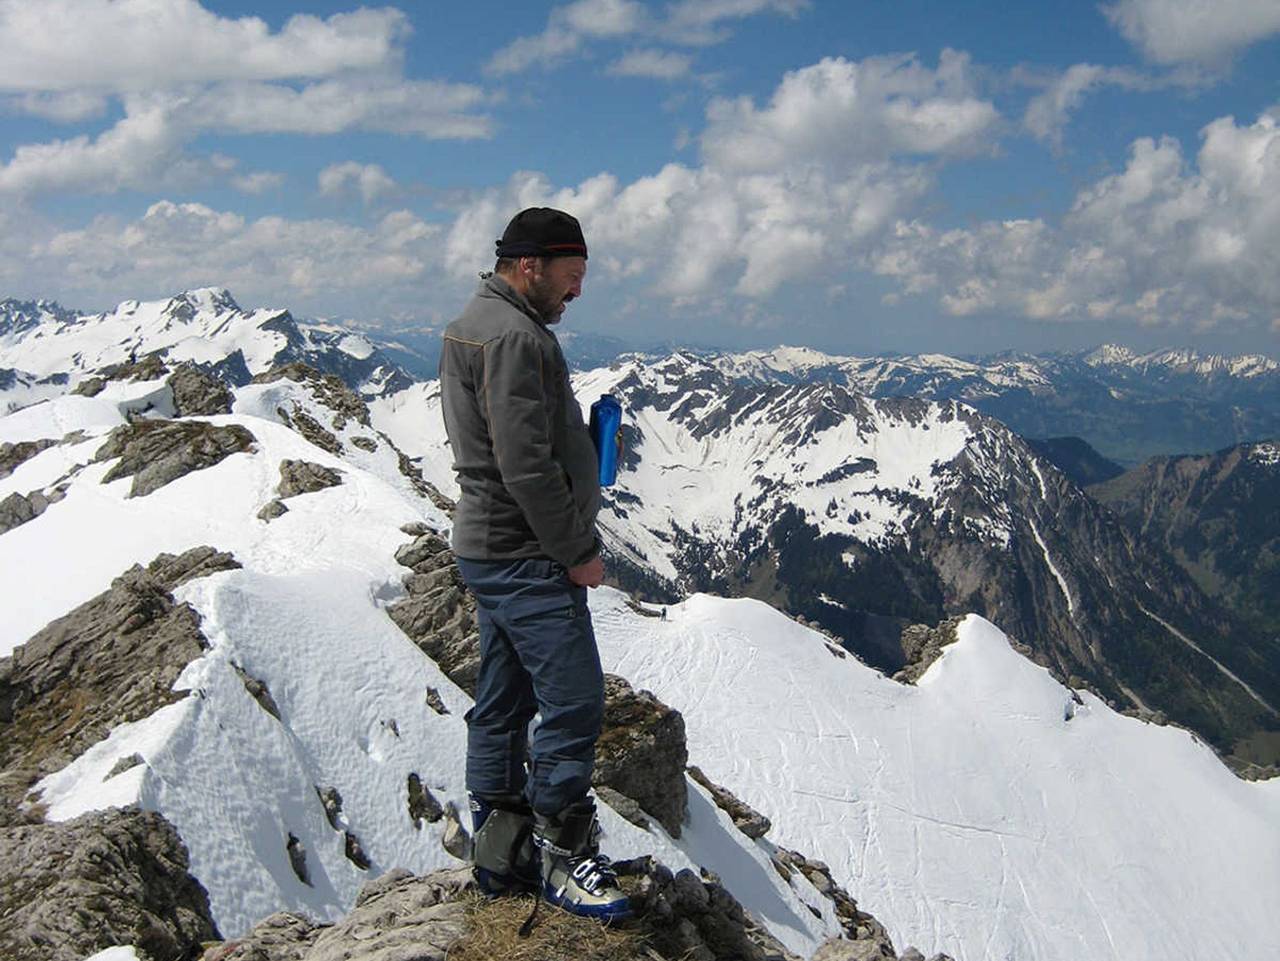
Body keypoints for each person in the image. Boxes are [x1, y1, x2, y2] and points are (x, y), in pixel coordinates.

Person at [438, 207, 629, 922]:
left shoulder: (483, 323)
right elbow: (522, 464)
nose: (576, 291)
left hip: (494, 545)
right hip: (524, 552)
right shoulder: (516, 336)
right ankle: (559, 850)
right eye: (571, 276)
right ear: (530, 266)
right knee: (575, 697)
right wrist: (576, 550)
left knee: (506, 694)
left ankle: (501, 841)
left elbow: (511, 442)